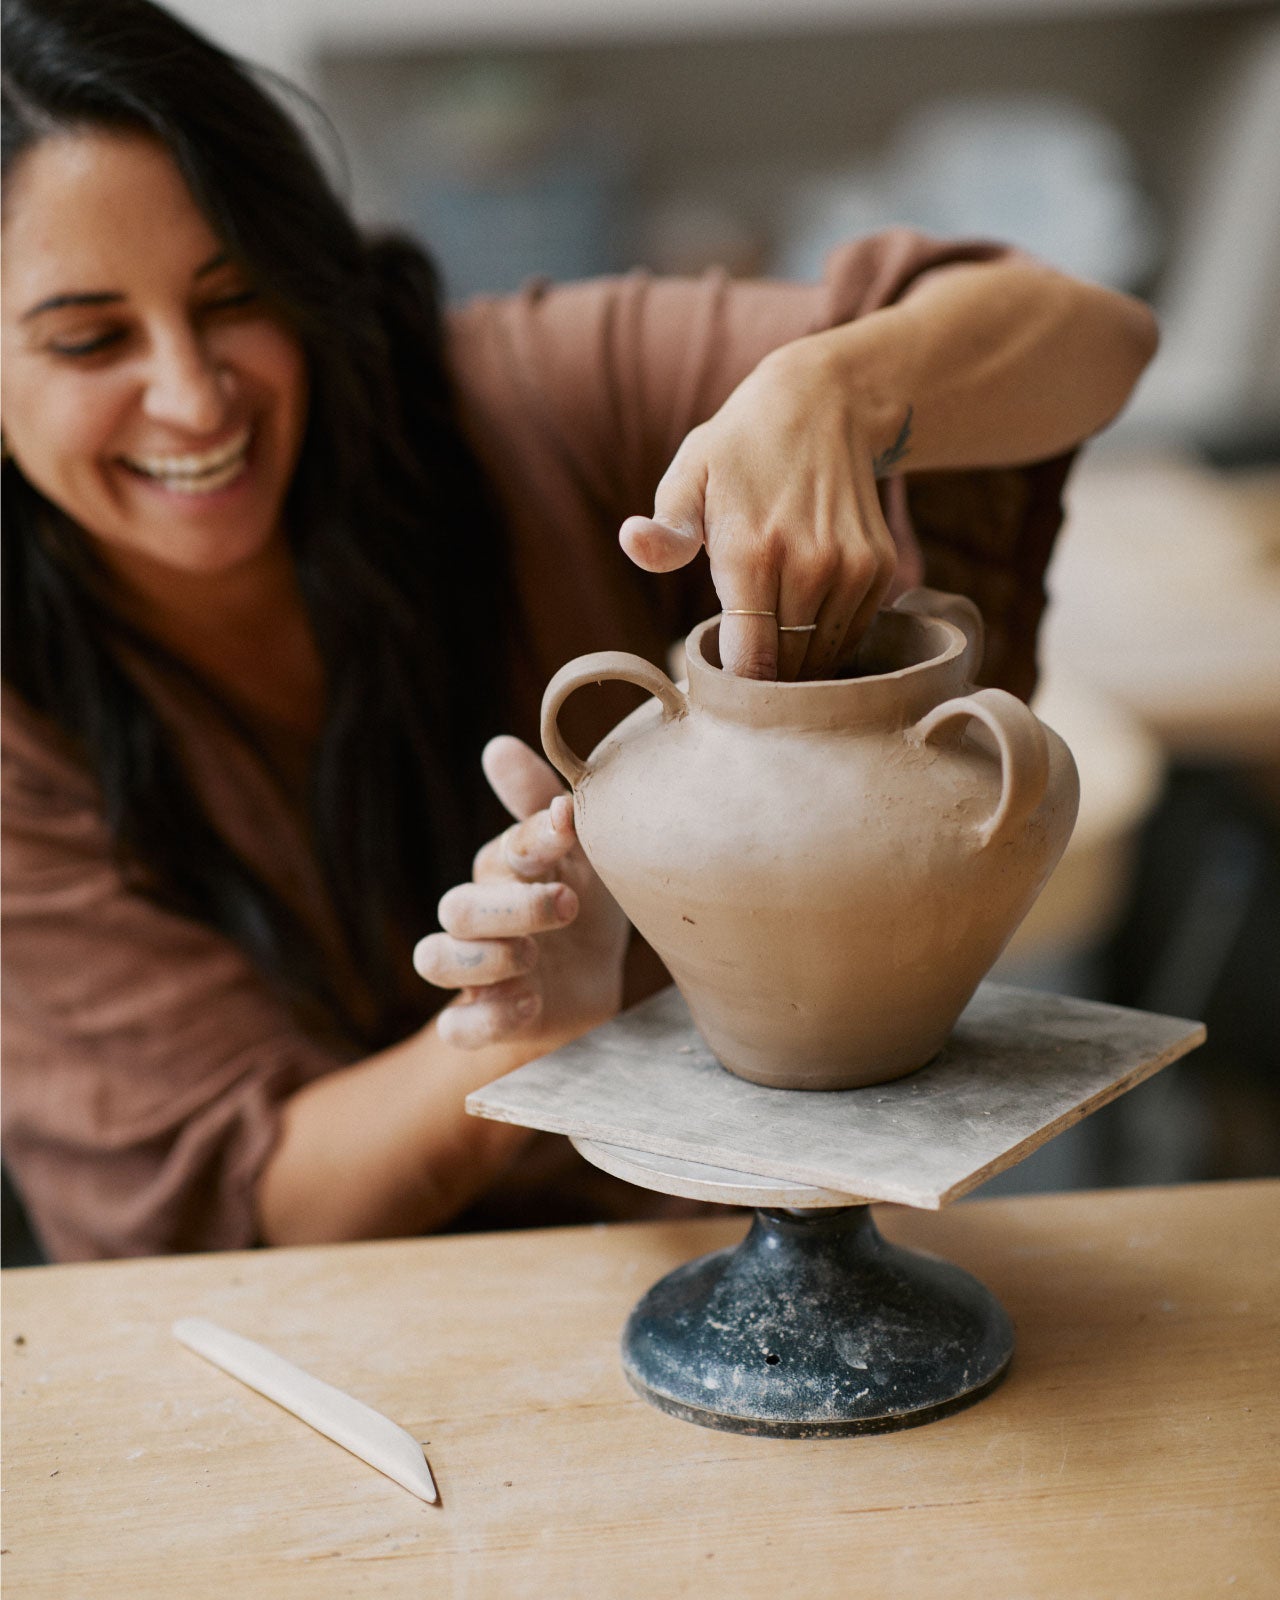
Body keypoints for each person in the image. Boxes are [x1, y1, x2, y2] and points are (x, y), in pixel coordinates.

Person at [0, 0, 1158, 1262]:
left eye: (234, 300)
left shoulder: (521, 399)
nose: (189, 394)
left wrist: (841, 389)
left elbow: (1094, 341)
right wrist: (529, 1034)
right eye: (90, 340)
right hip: (354, 1335)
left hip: (756, 1249)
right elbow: (229, 1208)